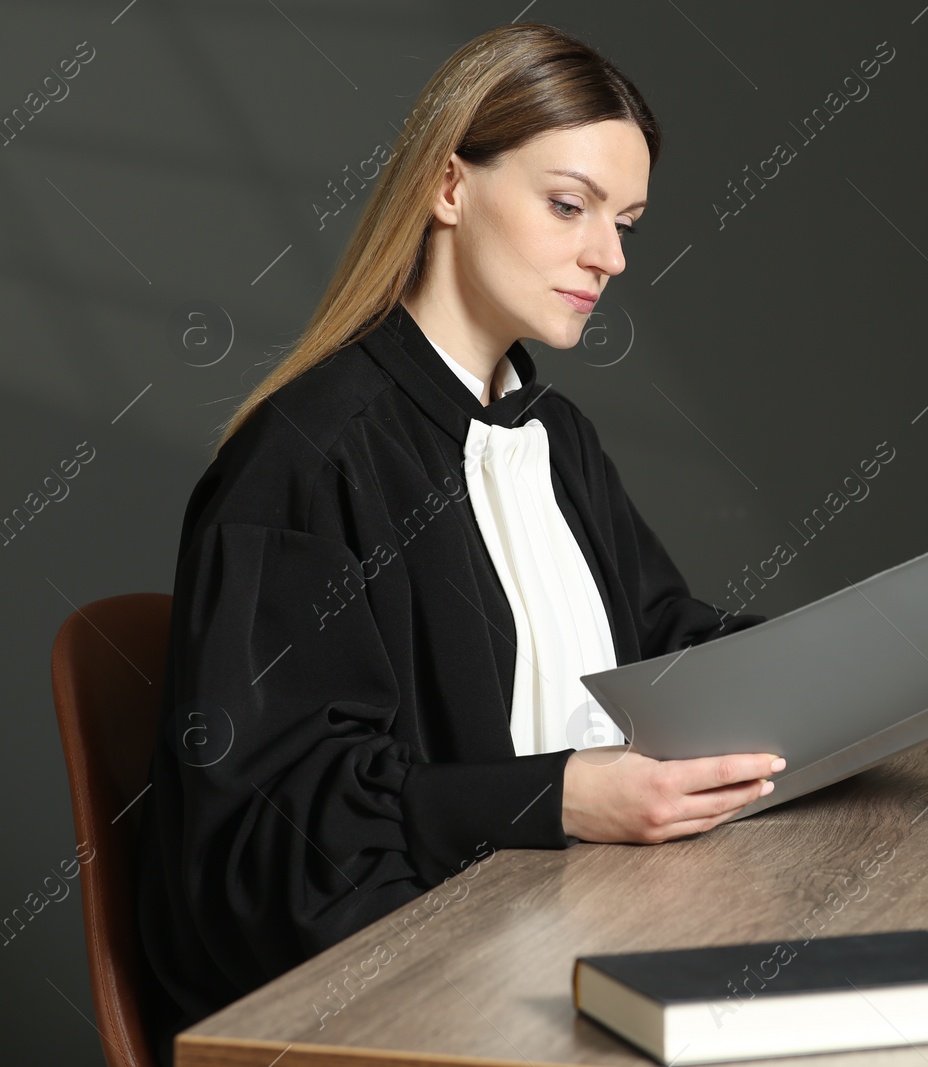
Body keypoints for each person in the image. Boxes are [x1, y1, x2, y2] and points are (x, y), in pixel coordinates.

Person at [134, 23, 779, 1062]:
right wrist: (559, 794)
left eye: (626, 222)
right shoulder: (304, 458)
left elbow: (662, 638)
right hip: (397, 1005)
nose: (609, 256)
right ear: (448, 187)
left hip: (576, 929)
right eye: (569, 206)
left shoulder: (555, 437)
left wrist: (852, 665)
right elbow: (272, 845)